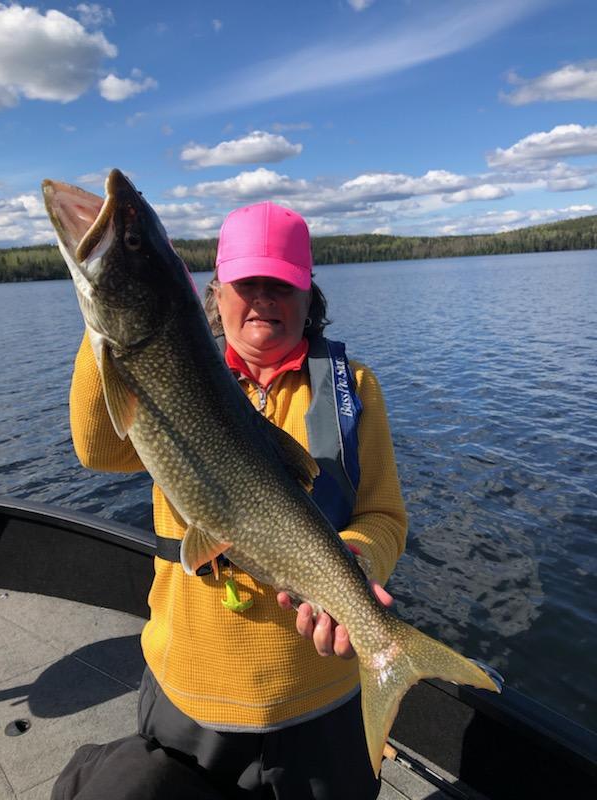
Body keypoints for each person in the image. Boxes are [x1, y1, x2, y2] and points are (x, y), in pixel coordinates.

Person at [53, 201, 407, 800]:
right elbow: (96, 448)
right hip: (190, 687)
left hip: (320, 695)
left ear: (308, 295)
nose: (264, 298)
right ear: (214, 294)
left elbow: (385, 515)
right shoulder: (174, 368)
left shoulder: (355, 387)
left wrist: (358, 559)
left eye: (282, 284)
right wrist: (103, 331)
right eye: (247, 284)